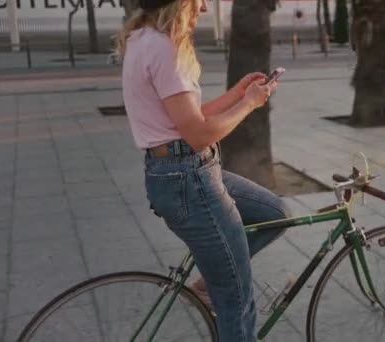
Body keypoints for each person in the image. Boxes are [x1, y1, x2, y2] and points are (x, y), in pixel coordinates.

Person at [114, 0, 291, 340]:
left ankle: (213, 281)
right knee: (237, 301)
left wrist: (237, 94)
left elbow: (188, 120)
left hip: (181, 172)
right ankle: (220, 285)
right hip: (189, 178)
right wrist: (250, 104)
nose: (205, 8)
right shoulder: (165, 49)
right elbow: (198, 135)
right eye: (198, 0)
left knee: (276, 212)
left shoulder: (143, 38)